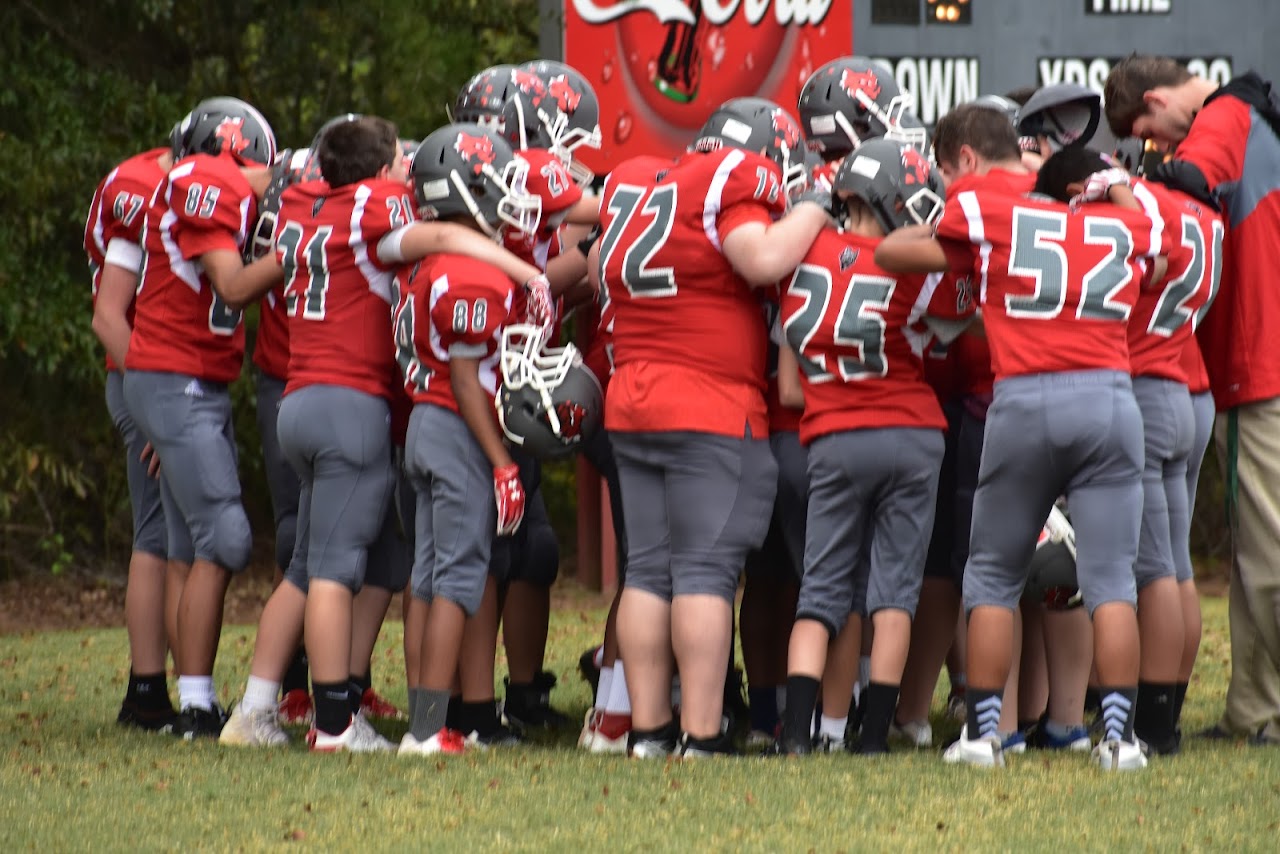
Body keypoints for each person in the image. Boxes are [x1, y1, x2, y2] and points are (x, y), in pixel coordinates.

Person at [876, 108, 1166, 771]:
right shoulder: (1121, 222)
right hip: (1108, 398)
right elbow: (1153, 239)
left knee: (991, 577)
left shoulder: (990, 207)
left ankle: (983, 735)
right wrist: (1109, 181)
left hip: (1025, 399)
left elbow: (920, 243)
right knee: (1112, 578)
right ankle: (1118, 739)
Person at [599, 96, 829, 758]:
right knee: (703, 573)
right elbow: (760, 258)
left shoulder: (641, 181)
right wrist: (816, 204)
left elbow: (598, 273)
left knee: (646, 572)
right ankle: (700, 733)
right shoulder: (736, 180)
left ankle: (649, 731)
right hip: (705, 401)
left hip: (633, 395)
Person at [773, 138, 970, 756]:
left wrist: (841, 397)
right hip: (912, 436)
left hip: (832, 436)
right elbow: (966, 325)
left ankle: (798, 736)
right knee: (894, 593)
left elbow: (787, 386)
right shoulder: (910, 264)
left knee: (821, 592)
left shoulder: (801, 253)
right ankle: (873, 735)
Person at [1105, 54, 1280, 746]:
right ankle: (1254, 712)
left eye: (1149, 130)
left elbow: (1185, 180)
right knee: (1249, 559)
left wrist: (1116, 182)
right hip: (1255, 359)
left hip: (1253, 363)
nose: (1158, 146)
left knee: (1267, 559)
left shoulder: (1221, 116)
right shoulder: (1251, 112)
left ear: (1156, 97)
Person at [122, 96, 277, 739]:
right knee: (228, 536)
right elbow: (233, 286)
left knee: (192, 543)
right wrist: (301, 250)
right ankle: (192, 705)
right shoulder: (204, 179)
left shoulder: (210, 183)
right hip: (175, 378)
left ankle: (195, 703)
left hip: (192, 381)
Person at [395, 123, 549, 756]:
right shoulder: (470, 273)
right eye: (497, 182)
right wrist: (502, 464)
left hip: (428, 424)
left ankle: (427, 722)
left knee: (432, 578)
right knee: (458, 580)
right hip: (457, 427)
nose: (509, 195)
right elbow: (466, 377)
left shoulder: (439, 257)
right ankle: (429, 730)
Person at [85, 138, 178, 731]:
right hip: (145, 381)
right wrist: (156, 408)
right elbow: (107, 315)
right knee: (159, 537)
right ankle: (147, 694)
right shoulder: (141, 194)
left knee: (169, 536)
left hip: (152, 383)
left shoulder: (152, 175)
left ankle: (155, 691)